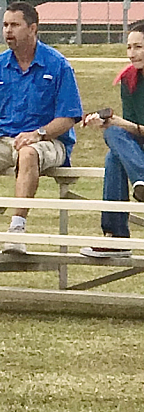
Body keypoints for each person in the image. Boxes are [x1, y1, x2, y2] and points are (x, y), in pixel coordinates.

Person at [0, 1, 83, 255]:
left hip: (50, 141)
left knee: (29, 153)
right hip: (5, 140)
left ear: (32, 28)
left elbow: (69, 117)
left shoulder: (57, 64)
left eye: (14, 25)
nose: (8, 31)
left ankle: (16, 231)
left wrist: (37, 134)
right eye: (5, 25)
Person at [80, 20, 144, 258]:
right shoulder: (129, 80)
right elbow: (130, 132)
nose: (131, 54)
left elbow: (130, 126)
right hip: (140, 152)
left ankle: (115, 237)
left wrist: (121, 124)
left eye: (138, 47)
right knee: (113, 142)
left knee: (113, 153)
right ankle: (116, 237)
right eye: (128, 48)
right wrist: (109, 123)